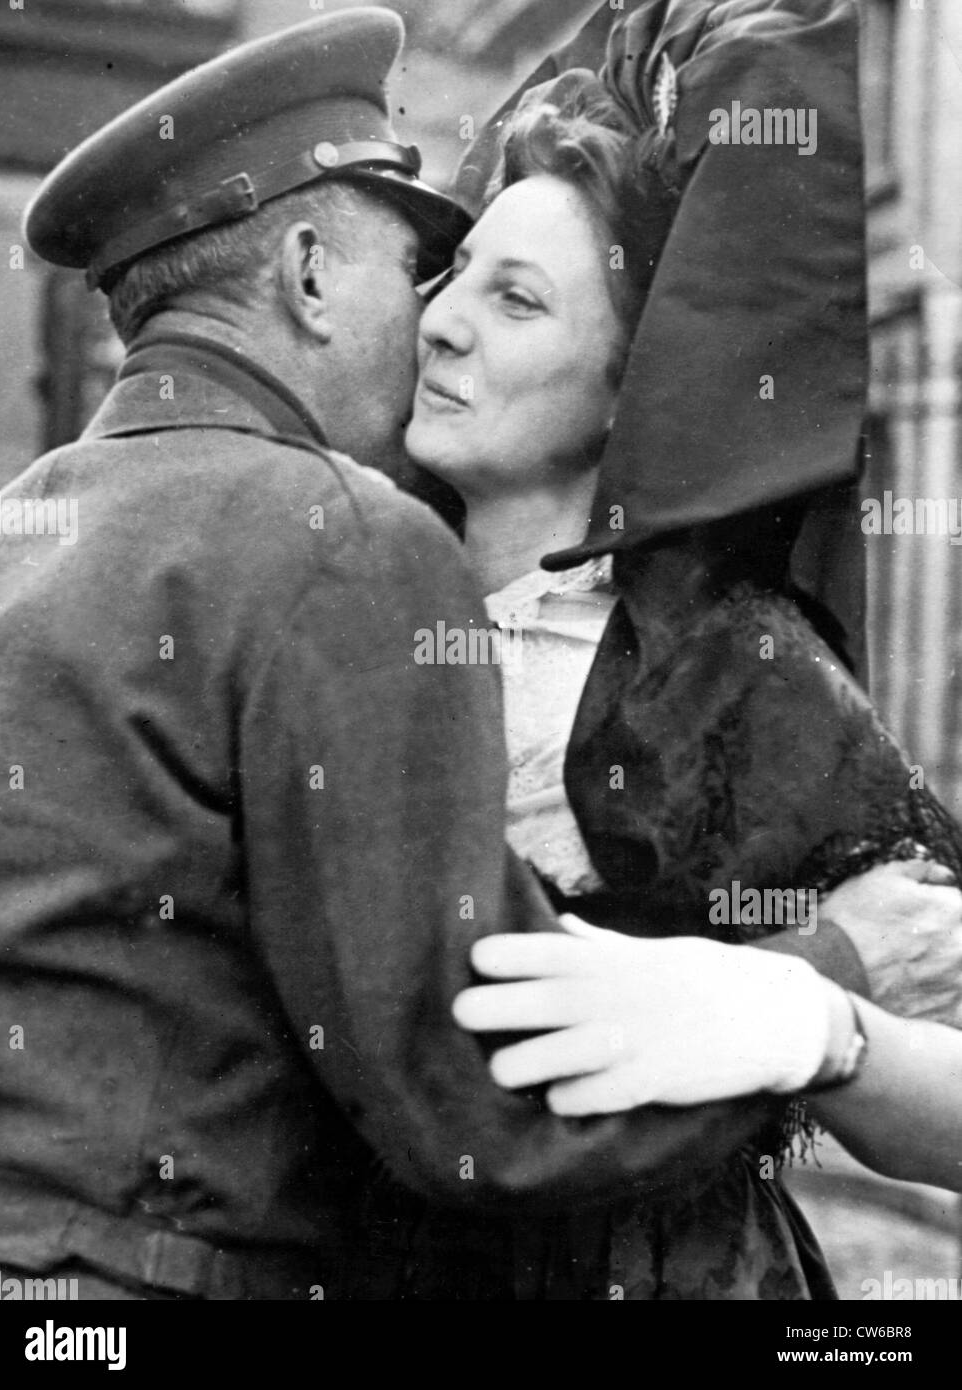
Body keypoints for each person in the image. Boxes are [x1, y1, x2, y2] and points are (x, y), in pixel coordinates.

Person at [407, 0, 962, 1298]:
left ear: (626, 386)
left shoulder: (721, 666)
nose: (439, 322)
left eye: (518, 298)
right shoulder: (351, 596)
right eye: (450, 276)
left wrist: (819, 1025)